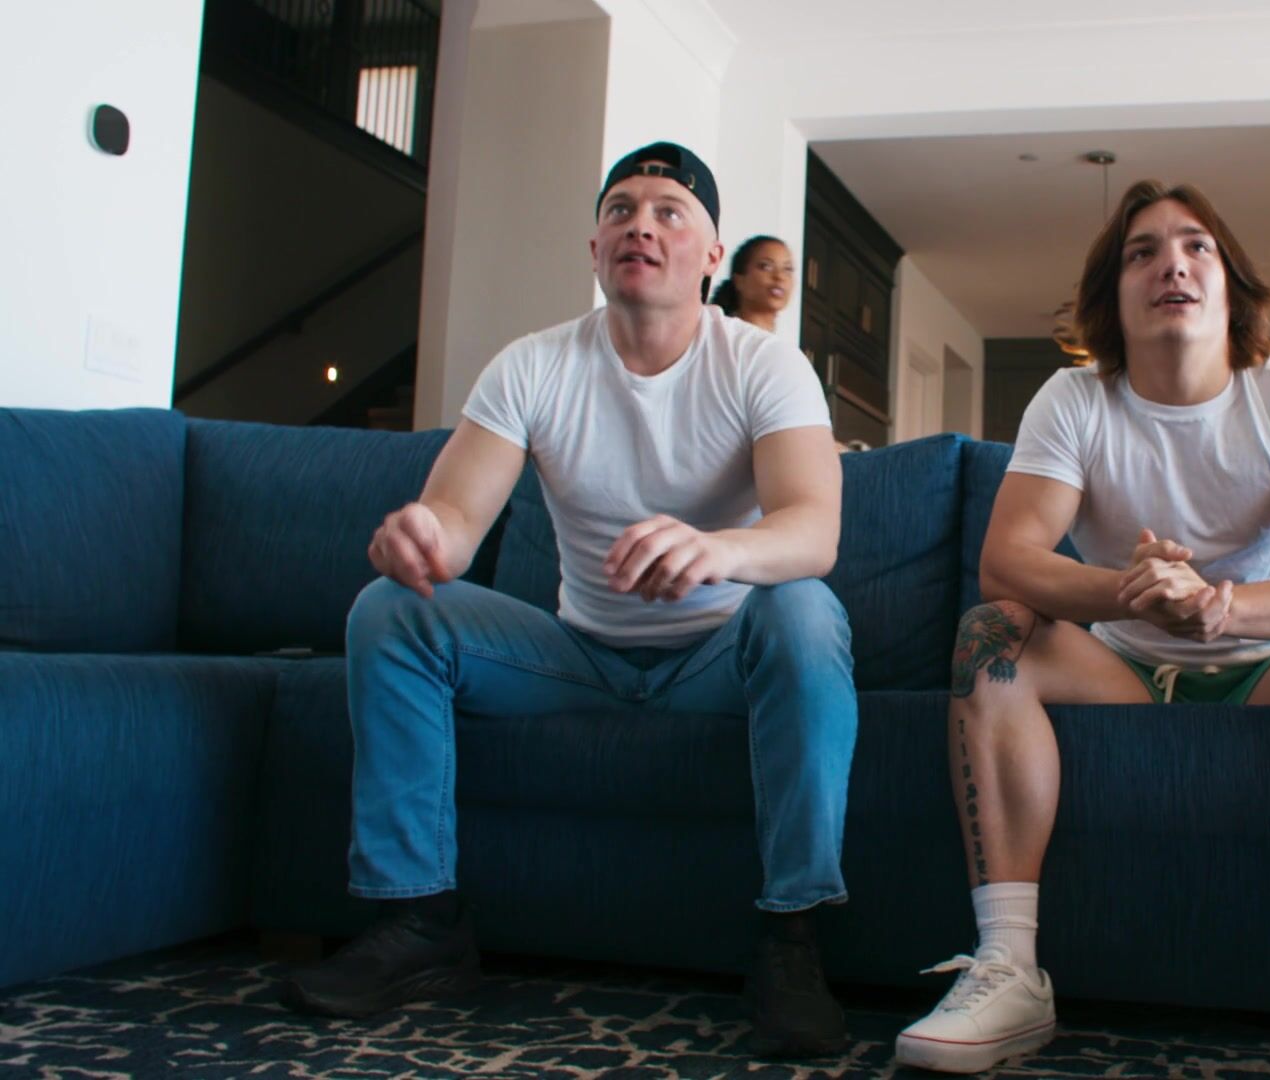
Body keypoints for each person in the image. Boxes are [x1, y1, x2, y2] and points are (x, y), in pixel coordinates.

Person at [894, 179, 1270, 1080]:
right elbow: (1008, 561)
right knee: (991, 633)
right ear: (1114, 295)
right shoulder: (1075, 399)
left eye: (1195, 246)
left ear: (1230, 284)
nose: (1171, 264)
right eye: (1142, 252)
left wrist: (1222, 606)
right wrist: (1132, 594)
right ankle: (1007, 967)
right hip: (1124, 664)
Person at [282, 142, 857, 1059]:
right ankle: (420, 924)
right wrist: (421, 536)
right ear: (595, 248)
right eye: (621, 209)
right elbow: (455, 520)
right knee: (391, 611)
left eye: (669, 211)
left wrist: (719, 550)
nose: (641, 225)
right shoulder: (533, 365)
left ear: (712, 256)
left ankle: (792, 937)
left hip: (720, 657)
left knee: (804, 608)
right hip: (578, 655)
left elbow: (812, 530)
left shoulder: (763, 366)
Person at [709, 235, 796, 334]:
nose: (780, 276)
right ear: (739, 280)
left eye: (788, 269)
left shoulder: (776, 342)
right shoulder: (722, 336)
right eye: (766, 266)